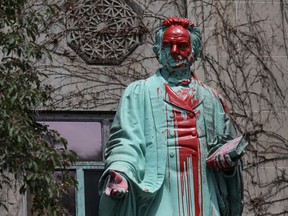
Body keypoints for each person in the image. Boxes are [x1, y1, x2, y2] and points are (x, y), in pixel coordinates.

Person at [98, 16, 245, 216]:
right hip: (160, 193)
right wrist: (121, 172)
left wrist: (228, 164)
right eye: (168, 46)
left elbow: (227, 149)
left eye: (182, 45)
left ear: (194, 51)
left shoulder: (212, 99)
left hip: (204, 190)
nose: (174, 52)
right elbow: (125, 142)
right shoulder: (139, 92)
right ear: (158, 51)